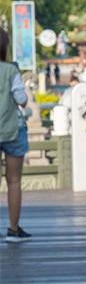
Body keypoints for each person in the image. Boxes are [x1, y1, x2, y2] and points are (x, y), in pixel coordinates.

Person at [0, 27, 31, 242]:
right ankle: (13, 229)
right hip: (12, 131)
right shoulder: (11, 71)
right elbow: (22, 100)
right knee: (14, 182)